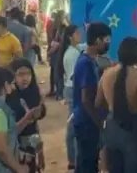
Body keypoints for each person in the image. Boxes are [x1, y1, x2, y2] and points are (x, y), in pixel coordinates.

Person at [97, 37, 137, 173]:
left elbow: (98, 102)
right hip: (133, 128)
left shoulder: (107, 74)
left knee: (114, 168)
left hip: (111, 125)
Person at [72, 22, 111, 173]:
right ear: (97, 41)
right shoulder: (86, 63)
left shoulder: (91, 60)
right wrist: (100, 123)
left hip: (87, 122)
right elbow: (86, 99)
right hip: (86, 124)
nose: (108, 43)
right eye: (107, 40)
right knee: (87, 165)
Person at [7, 59, 46, 172]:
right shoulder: (8, 97)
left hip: (29, 145)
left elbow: (35, 128)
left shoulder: (34, 93)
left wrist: (40, 153)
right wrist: (27, 118)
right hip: (13, 146)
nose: (25, 78)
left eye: (28, 73)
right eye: (20, 74)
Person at [58, 24, 82, 168]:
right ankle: (73, 158)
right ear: (70, 36)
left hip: (71, 89)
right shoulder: (72, 54)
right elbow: (74, 76)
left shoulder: (73, 50)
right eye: (77, 33)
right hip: (73, 89)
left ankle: (73, 158)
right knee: (73, 125)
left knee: (73, 123)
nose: (80, 36)